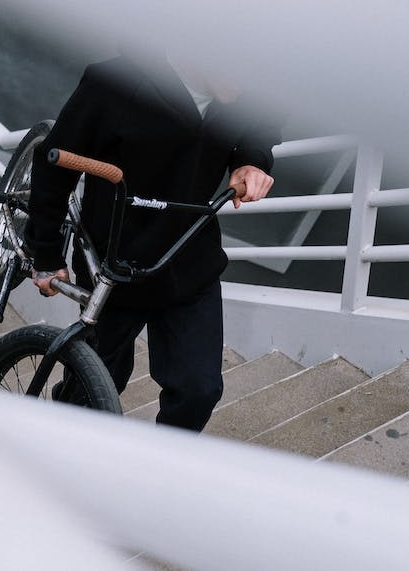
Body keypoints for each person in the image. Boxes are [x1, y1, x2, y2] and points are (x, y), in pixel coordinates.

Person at [24, 50, 280, 432]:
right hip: (113, 265)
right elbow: (53, 165)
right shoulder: (115, 83)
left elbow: (261, 127)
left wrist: (253, 160)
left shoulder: (239, 91)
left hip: (189, 261)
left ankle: (159, 467)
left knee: (199, 391)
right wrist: (44, 253)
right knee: (93, 390)